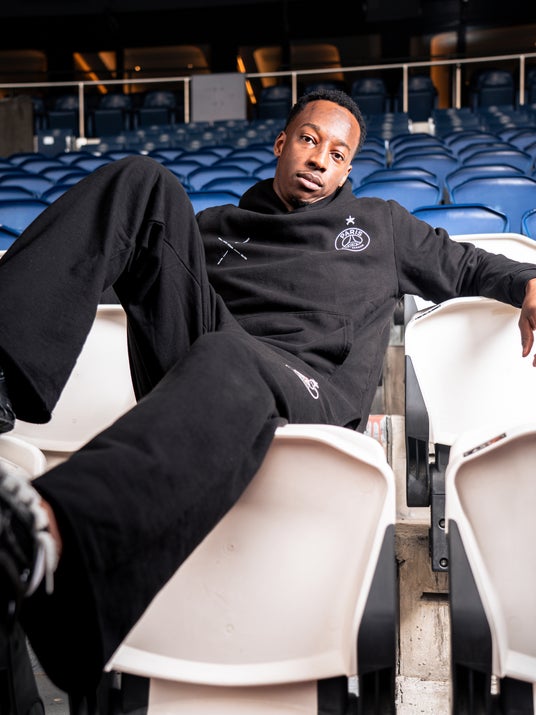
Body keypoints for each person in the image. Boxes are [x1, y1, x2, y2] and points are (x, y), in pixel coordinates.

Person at [1, 87, 536, 699]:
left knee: (227, 354)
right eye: (309, 140)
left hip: (309, 389)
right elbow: (94, 268)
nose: (320, 159)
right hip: (207, 364)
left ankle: (44, 533)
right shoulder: (215, 227)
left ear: (347, 171)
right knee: (141, 180)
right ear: (282, 143)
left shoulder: (382, 225)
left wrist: (527, 280)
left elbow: (467, 266)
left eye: (338, 154)